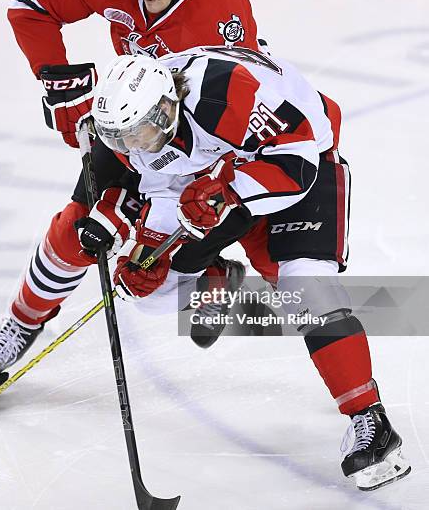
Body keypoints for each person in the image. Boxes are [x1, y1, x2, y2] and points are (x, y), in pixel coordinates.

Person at [0, 0, 268, 380]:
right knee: (76, 227)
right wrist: (61, 83)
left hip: (192, 134)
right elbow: (30, 5)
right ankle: (21, 324)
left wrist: (160, 198)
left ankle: (207, 274)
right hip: (132, 111)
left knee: (150, 267)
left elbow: (233, 114)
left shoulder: (221, 20)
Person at [84, 46, 410, 491]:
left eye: (137, 132)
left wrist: (228, 192)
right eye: (119, 138)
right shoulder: (136, 131)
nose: (131, 146)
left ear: (164, 108)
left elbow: (297, 164)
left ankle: (370, 421)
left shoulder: (219, 92)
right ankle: (215, 277)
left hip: (301, 162)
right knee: (150, 291)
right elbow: (164, 189)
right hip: (218, 181)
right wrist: (149, 253)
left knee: (306, 292)